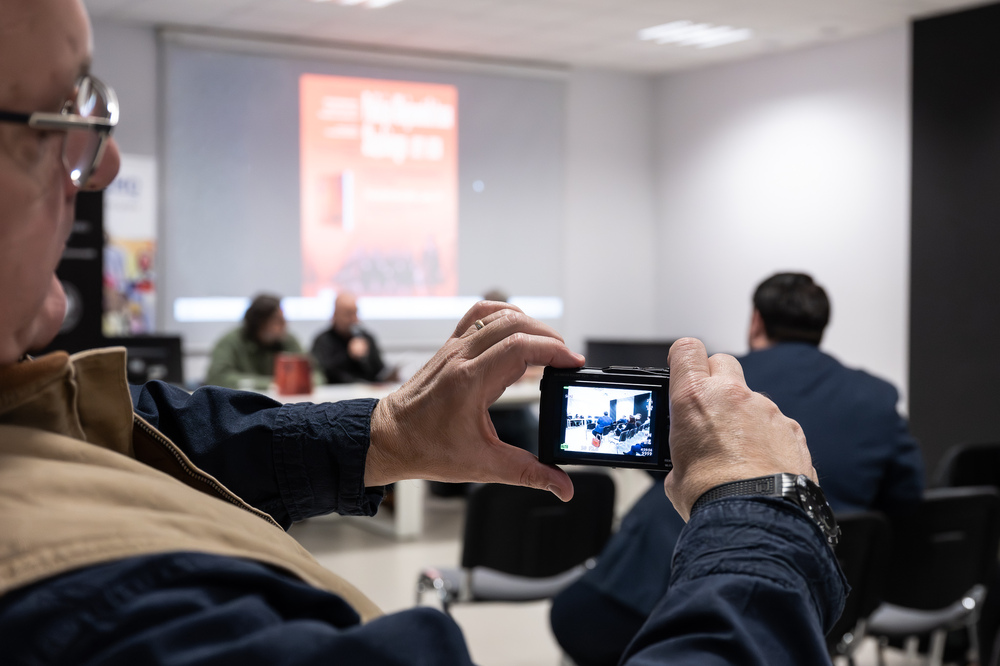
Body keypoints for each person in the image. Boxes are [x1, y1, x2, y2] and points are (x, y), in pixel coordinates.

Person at [0, 2, 846, 662]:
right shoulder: (111, 613)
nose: (102, 163)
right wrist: (762, 516)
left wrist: (386, 431)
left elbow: (135, 430)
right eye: (59, 117)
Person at [552, 271, 924, 666]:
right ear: (820, 327)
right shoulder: (877, 398)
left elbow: (670, 471)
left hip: (660, 588)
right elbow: (907, 500)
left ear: (756, 320)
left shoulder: (707, 389)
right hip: (819, 602)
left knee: (573, 618)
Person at [205, 293, 320, 389]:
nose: (284, 324)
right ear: (260, 323)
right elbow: (217, 378)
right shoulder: (231, 342)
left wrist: (303, 382)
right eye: (278, 320)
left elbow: (316, 374)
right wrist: (270, 384)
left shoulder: (288, 341)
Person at [311, 292, 392, 384]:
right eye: (348, 314)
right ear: (335, 315)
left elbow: (379, 371)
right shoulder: (322, 341)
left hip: (368, 394)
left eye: (355, 313)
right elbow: (325, 373)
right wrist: (348, 354)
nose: (354, 319)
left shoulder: (366, 338)